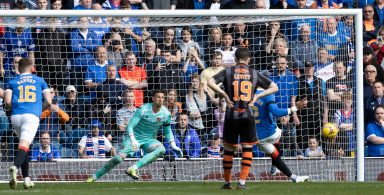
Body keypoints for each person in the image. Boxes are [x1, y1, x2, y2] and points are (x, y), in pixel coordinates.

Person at [207, 48, 279, 189]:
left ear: (235, 58)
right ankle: (241, 183)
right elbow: (274, 87)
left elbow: (210, 82)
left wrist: (225, 95)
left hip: (231, 115)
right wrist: (257, 96)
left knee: (228, 149)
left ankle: (227, 182)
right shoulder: (254, 73)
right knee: (247, 148)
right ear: (248, 59)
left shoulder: (228, 72)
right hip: (247, 114)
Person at [86, 89, 183, 182]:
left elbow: (167, 130)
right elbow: (130, 126)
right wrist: (133, 140)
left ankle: (133, 168)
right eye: (158, 97)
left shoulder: (166, 113)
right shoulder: (143, 109)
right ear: (153, 98)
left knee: (161, 149)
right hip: (133, 138)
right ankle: (94, 177)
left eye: (162, 97)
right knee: (118, 159)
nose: (161, 100)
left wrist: (173, 144)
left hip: (149, 140)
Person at [5, 58, 52, 189]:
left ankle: (26, 178)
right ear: (31, 68)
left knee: (24, 144)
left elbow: (8, 101)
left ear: (19, 68)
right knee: (24, 146)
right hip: (31, 116)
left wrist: (13, 108)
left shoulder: (12, 82)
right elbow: (49, 101)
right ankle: (15, 166)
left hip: (16, 116)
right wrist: (38, 110)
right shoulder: (39, 80)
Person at [253, 87, 309, 182]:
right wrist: (295, 108)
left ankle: (294, 177)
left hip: (256, 137)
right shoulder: (267, 94)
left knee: (276, 156)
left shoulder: (246, 96)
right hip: (271, 133)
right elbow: (276, 112)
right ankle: (275, 164)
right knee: (281, 133)